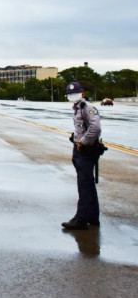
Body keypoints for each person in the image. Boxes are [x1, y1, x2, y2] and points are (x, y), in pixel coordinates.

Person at [62, 81, 102, 230]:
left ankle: (81, 219)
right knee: (88, 184)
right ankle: (92, 217)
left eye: (75, 93)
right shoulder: (78, 109)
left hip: (86, 150)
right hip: (81, 149)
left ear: (83, 94)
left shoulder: (88, 108)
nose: (72, 96)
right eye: (70, 94)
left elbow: (95, 128)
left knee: (84, 185)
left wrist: (83, 142)